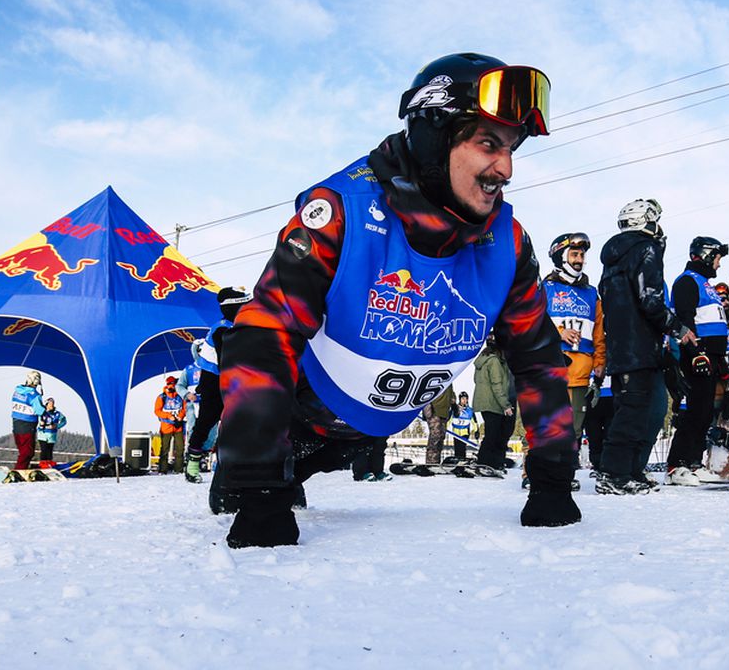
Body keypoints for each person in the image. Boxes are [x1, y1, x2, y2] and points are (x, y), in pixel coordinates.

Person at [215, 52, 579, 549]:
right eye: (489, 144)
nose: (506, 168)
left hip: (371, 427)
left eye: (512, 148)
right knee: (249, 486)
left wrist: (552, 481)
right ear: (436, 137)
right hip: (300, 411)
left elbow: (538, 360)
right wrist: (259, 487)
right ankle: (248, 468)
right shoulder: (342, 210)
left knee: (333, 450)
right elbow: (264, 333)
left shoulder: (509, 243)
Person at [596, 199, 696, 494]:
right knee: (635, 412)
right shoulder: (645, 249)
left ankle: (628, 471)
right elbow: (650, 299)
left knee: (631, 409)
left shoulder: (611, 261)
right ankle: (615, 474)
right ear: (647, 221)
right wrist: (679, 328)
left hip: (620, 346)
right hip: (640, 346)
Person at [666, 236, 729, 485]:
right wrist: (696, 353)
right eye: (717, 258)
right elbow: (684, 319)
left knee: (704, 412)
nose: (719, 264)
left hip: (711, 355)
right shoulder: (687, 281)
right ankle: (676, 465)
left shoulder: (707, 285)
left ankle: (693, 462)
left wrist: (719, 357)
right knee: (694, 410)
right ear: (705, 256)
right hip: (697, 354)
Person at [543, 233, 607, 467]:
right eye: (574, 254)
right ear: (561, 257)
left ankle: (564, 473)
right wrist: (559, 332)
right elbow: (531, 320)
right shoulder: (545, 288)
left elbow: (599, 333)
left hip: (581, 373)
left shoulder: (591, 293)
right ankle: (534, 474)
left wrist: (600, 363)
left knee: (574, 429)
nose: (580, 259)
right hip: (551, 370)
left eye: (582, 255)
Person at [186, 287, 251, 483]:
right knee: (206, 422)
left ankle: (235, 463)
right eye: (243, 305)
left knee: (238, 423)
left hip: (230, 380)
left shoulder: (239, 326)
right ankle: (192, 465)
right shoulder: (222, 328)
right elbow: (226, 359)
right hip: (214, 382)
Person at [473, 334, 516, 474]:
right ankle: (484, 463)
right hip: (493, 403)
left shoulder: (482, 360)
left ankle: (493, 462)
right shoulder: (494, 362)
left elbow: (476, 381)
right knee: (494, 435)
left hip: (484, 402)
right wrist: (506, 405)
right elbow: (497, 385)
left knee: (493, 433)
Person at [11, 371, 44, 470]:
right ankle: (19, 470)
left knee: (23, 451)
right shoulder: (34, 395)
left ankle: (22, 468)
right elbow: (39, 411)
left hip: (16, 424)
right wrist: (44, 408)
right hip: (28, 426)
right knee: (27, 452)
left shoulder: (17, 391)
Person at [154, 376, 187, 474]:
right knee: (164, 449)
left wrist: (180, 416)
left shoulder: (181, 396)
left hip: (178, 426)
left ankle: (178, 469)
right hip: (166, 426)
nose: (173, 386)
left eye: (174, 384)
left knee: (180, 448)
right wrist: (168, 416)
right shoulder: (161, 397)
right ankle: (163, 470)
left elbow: (185, 408)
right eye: (171, 384)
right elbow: (157, 411)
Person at [422, 386, 454, 465]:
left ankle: (436, 461)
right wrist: (427, 406)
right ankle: (431, 462)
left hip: (444, 411)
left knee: (441, 437)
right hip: (434, 410)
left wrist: (453, 401)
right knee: (435, 436)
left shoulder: (448, 375)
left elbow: (450, 390)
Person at [37, 397, 67, 463]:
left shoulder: (57, 413)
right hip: (42, 434)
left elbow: (64, 421)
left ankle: (49, 464)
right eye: (50, 404)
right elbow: (37, 420)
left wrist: (57, 426)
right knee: (44, 450)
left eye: (52, 404)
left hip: (52, 435)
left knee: (49, 451)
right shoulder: (42, 413)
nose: (52, 405)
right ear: (46, 404)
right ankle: (43, 464)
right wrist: (40, 424)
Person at [450, 392, 474, 462]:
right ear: (459, 399)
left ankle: (462, 463)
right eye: (462, 398)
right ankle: (457, 463)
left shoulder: (470, 410)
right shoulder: (455, 409)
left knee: (462, 448)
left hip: (465, 432)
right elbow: (449, 419)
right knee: (457, 449)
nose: (464, 400)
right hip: (456, 432)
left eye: (465, 399)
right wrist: (444, 428)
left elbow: (474, 421)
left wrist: (476, 430)